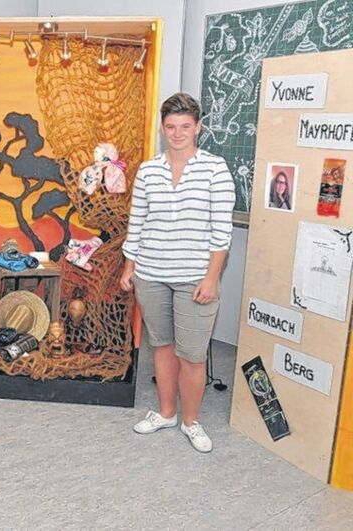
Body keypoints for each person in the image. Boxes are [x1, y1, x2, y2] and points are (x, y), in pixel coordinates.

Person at [119, 93, 235, 453]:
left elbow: (222, 231)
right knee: (162, 346)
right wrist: (129, 267)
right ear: (162, 128)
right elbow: (137, 222)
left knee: (192, 355)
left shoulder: (215, 169)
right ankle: (167, 413)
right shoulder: (148, 170)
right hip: (151, 274)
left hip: (195, 279)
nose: (178, 133)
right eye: (171, 126)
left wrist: (212, 278)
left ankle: (191, 421)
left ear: (198, 127)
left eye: (185, 126)